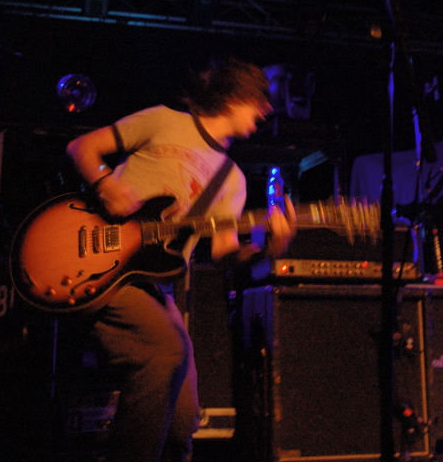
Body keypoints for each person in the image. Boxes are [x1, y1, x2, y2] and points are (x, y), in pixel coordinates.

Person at [65, 56, 297, 462]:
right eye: (259, 99)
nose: (267, 110)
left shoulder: (233, 180)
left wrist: (269, 248)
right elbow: (81, 148)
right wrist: (106, 185)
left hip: (152, 285)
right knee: (166, 352)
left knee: (182, 419)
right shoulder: (163, 120)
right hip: (97, 267)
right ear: (233, 95)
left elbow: (225, 256)